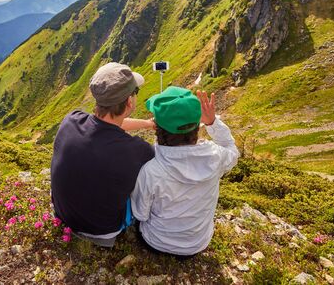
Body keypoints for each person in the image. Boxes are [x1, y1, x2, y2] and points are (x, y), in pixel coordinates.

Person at [51, 62, 155, 247]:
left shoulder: (71, 120)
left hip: (63, 214)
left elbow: (108, 124)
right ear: (130, 102)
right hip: (103, 230)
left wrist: (147, 124)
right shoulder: (138, 150)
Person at [131, 86, 239, 256]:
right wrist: (212, 123)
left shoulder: (151, 170)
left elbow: (140, 214)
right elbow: (232, 150)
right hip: (199, 244)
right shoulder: (216, 156)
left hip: (157, 242)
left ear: (157, 128)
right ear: (197, 125)